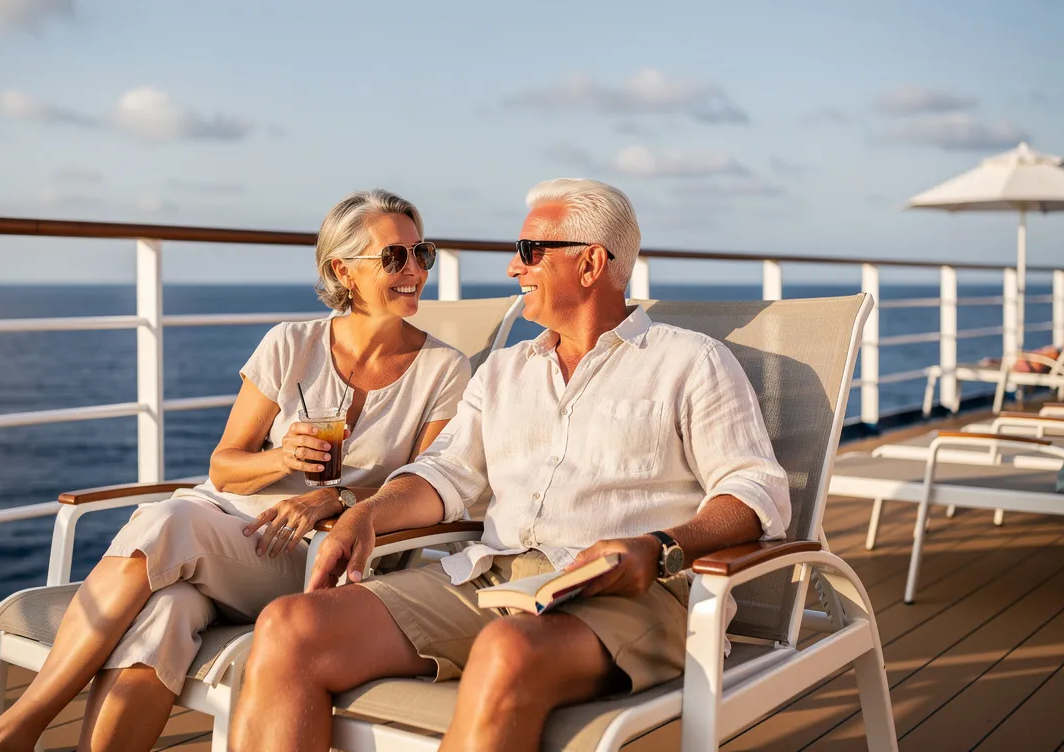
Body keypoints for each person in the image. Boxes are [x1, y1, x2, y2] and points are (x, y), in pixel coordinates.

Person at [230, 178, 791, 751]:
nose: (511, 268)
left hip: (634, 593)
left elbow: (754, 491)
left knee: (506, 647)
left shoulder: (690, 362)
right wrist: (366, 516)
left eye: (529, 252)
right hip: (493, 577)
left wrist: (658, 545)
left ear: (591, 263)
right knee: (289, 627)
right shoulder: (503, 371)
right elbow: (442, 473)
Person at [0, 189, 471, 752]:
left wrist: (340, 500)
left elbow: (426, 479)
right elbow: (224, 468)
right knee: (164, 612)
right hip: (227, 533)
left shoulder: (445, 369)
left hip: (317, 558)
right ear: (343, 270)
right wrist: (282, 458)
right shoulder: (290, 344)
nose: (415, 271)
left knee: (167, 522)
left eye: (421, 253)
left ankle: (19, 728)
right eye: (394, 257)